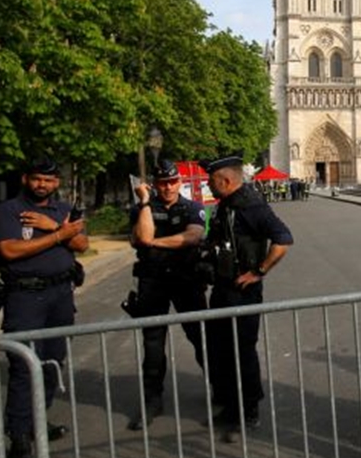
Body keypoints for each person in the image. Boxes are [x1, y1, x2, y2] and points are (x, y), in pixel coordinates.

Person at [0, 157, 88, 458]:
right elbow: (9, 249)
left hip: (61, 294)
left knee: (51, 364)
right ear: (25, 179)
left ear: (56, 182)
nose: (42, 185)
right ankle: (18, 435)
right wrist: (60, 236)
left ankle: (36, 423)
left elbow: (82, 243)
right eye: (36, 179)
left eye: (48, 180)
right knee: (24, 365)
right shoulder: (8, 211)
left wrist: (54, 226)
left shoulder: (62, 210)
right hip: (25, 298)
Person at [200, 152, 294, 442]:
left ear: (225, 180)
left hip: (242, 293)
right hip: (223, 290)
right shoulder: (226, 204)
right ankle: (230, 406)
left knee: (242, 351)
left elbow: (283, 239)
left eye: (211, 181)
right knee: (221, 351)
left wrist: (259, 271)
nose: (208, 185)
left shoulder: (251, 206)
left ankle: (248, 410)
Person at [125, 159, 208, 430]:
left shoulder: (193, 207)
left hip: (187, 281)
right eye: (162, 182)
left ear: (180, 182)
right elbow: (139, 238)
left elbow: (193, 237)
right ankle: (152, 400)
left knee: (201, 339)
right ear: (154, 184)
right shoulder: (142, 209)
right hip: (153, 282)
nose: (169, 186)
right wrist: (146, 203)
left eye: (173, 181)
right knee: (152, 344)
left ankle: (221, 390)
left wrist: (154, 243)